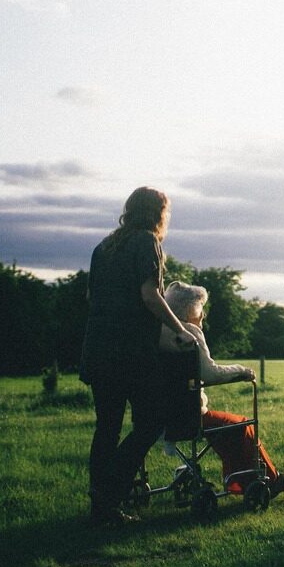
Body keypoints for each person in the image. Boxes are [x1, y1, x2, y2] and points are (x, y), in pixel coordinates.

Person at [79, 187, 197, 526]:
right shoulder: (147, 243)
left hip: (98, 348)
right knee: (151, 422)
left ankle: (101, 505)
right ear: (158, 213)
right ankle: (110, 493)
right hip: (129, 352)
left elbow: (92, 296)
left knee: (107, 427)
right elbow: (150, 295)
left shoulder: (104, 246)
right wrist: (179, 329)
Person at [160, 281, 284, 497]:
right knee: (242, 425)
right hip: (189, 416)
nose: (203, 315)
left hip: (159, 415)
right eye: (200, 308)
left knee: (226, 427)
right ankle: (269, 480)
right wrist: (242, 371)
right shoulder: (190, 333)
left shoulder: (159, 332)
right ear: (188, 309)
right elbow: (210, 373)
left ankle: (241, 482)